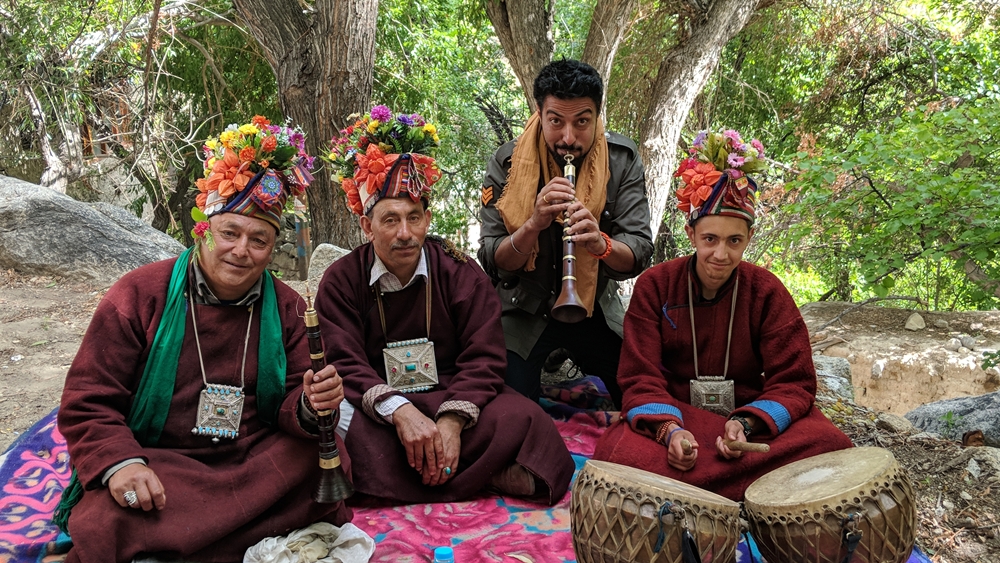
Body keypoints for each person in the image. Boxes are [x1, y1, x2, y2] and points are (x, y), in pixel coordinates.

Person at [55, 117, 352, 563]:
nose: (241, 251)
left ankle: (174, 545)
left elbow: (292, 400)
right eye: (229, 233)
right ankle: (224, 537)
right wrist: (122, 463)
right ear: (203, 230)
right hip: (162, 459)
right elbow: (88, 401)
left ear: (272, 249)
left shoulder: (288, 308)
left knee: (327, 460)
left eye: (259, 240)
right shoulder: (139, 294)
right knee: (109, 514)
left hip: (249, 457)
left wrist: (310, 404)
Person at [315, 106, 574, 504]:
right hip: (382, 410)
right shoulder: (342, 280)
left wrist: (452, 422)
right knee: (332, 425)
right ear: (367, 226)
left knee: (525, 417)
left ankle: (409, 477)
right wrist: (401, 413)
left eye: (414, 218)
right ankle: (483, 474)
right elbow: (343, 363)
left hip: (451, 396)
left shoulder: (460, 272)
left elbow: (485, 357)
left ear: (427, 218)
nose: (405, 233)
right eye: (390, 220)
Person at [592, 129, 853, 501]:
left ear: (748, 238)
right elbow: (639, 377)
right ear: (691, 235)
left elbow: (794, 382)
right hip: (680, 414)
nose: (720, 254)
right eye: (710, 239)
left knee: (829, 442)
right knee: (617, 452)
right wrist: (670, 432)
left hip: (747, 420)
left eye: (734, 241)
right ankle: (754, 486)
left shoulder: (766, 291)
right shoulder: (656, 286)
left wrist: (745, 423)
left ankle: (694, 488)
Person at [478, 59, 653, 409]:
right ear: (539, 113)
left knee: (641, 395)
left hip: (594, 306)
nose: (568, 138)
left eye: (582, 122)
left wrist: (601, 244)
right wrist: (533, 224)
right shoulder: (507, 162)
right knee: (512, 410)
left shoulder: (621, 159)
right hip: (525, 308)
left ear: (598, 116)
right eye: (556, 121)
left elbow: (639, 249)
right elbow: (492, 259)